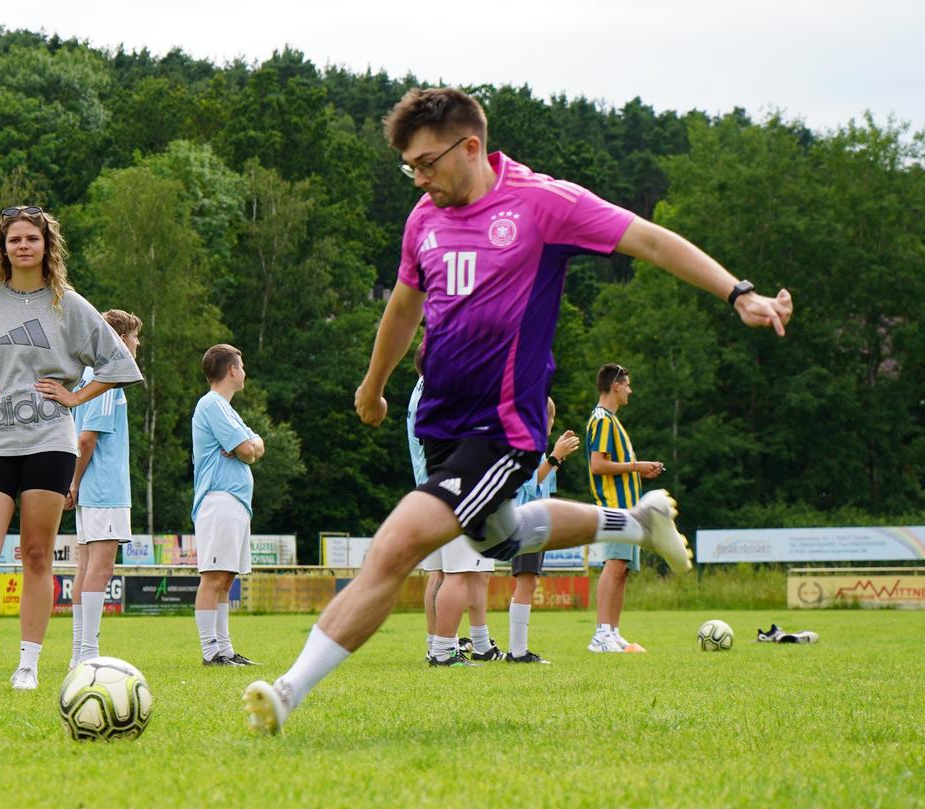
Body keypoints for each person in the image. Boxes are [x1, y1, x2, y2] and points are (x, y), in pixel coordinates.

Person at [243, 86, 792, 735]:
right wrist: (373, 385)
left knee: (392, 549)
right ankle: (635, 522)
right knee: (497, 536)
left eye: (426, 163)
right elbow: (402, 306)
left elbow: (649, 240)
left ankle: (286, 692)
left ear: (470, 146)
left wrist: (737, 292)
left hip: (503, 429)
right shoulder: (424, 217)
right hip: (441, 425)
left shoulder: (543, 204)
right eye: (409, 167)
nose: (419, 179)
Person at [0, 206, 141, 691]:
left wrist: (76, 396)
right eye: (13, 239)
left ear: (46, 246)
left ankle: (27, 668)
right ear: (2, 247)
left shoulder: (69, 305)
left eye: (31, 239)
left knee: (37, 554)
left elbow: (118, 363)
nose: (22, 246)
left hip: (50, 444)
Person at [66, 309, 140, 666]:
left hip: (91, 491)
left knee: (85, 567)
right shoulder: (105, 376)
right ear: (120, 339)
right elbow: (86, 440)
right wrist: (75, 482)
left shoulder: (83, 377)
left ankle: (79, 652)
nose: (137, 343)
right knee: (100, 568)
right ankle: (88, 653)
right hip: (103, 489)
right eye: (135, 337)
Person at [408, 376, 498, 665]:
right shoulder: (444, 384)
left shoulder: (420, 388)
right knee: (458, 573)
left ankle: (435, 645)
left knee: (439, 573)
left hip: (428, 488)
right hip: (454, 489)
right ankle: (445, 651)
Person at [192, 344, 264, 666]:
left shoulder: (227, 409)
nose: (245, 372)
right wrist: (246, 448)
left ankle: (226, 649)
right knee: (214, 577)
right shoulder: (212, 405)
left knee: (227, 578)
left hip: (235, 502)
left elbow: (253, 445)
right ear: (232, 370)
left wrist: (246, 447)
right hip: (218, 499)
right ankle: (211, 652)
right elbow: (248, 451)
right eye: (243, 365)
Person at [586, 364, 664, 653]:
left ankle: (613, 632)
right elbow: (598, 465)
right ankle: (600, 634)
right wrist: (635, 466)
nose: (630, 390)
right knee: (614, 565)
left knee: (624, 569)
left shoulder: (613, 421)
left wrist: (639, 472)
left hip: (629, 508)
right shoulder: (602, 420)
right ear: (616, 385)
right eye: (628, 385)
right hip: (614, 507)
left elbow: (613, 465)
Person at [506, 398, 579, 664]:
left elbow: (546, 485)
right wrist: (555, 456)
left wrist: (557, 457)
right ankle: (518, 651)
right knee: (526, 582)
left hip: (538, 522)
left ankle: (518, 649)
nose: (551, 425)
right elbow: (529, 483)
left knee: (529, 581)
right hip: (526, 521)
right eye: (550, 419)